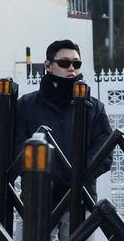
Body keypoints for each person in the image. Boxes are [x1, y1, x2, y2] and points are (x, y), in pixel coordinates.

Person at [12, 39, 113, 210]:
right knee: (31, 238)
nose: (71, 68)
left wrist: (79, 174)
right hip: (38, 200)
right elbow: (16, 148)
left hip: (81, 199)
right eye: (64, 63)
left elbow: (104, 150)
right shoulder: (26, 105)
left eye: (76, 63)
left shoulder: (94, 107)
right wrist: (52, 175)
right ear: (48, 65)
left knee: (80, 237)